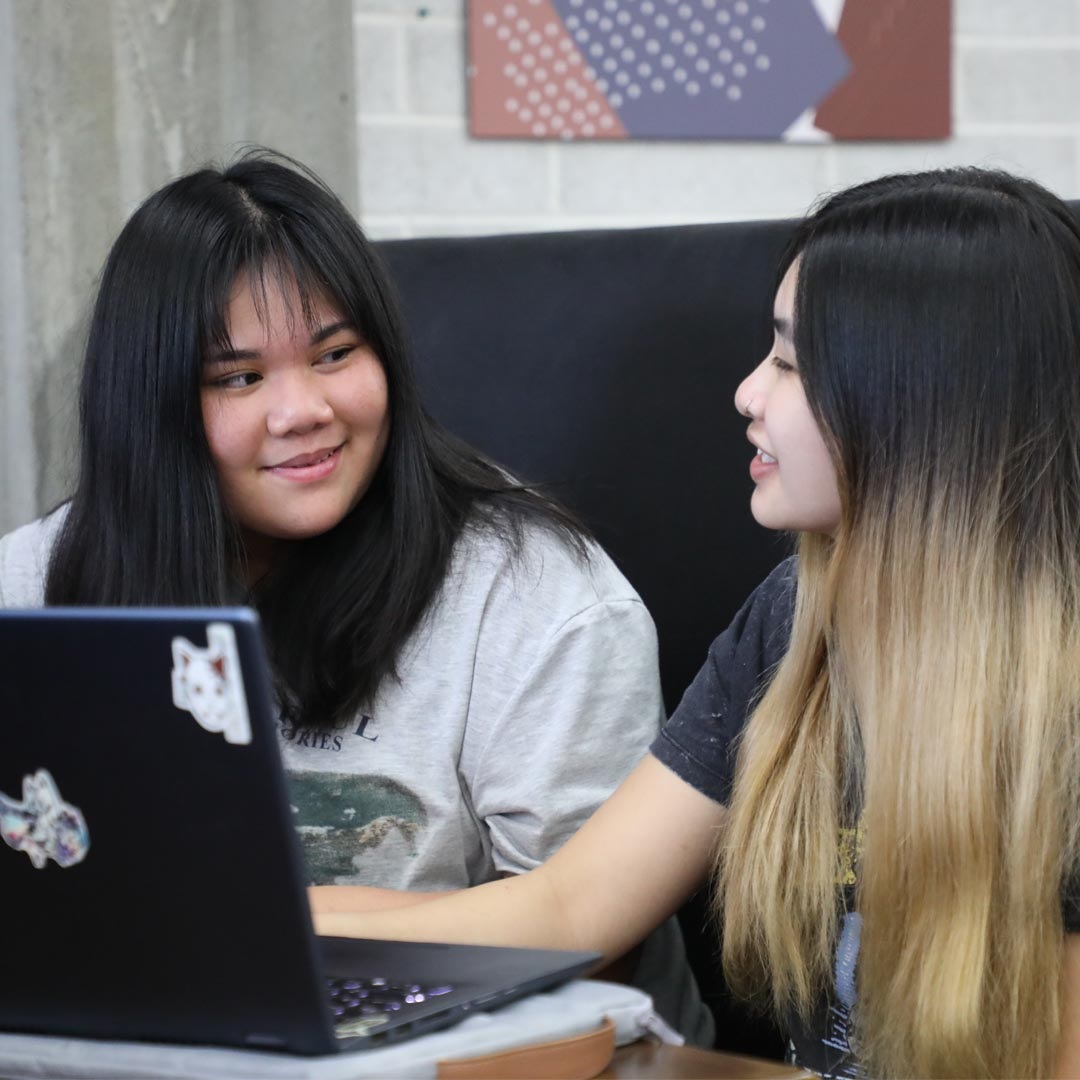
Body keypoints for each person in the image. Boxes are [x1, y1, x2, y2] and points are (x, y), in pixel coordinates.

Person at [312, 168, 1080, 1078]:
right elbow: (568, 911)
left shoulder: (1056, 715)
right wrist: (248, 922)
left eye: (791, 365)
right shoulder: (793, 622)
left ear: (919, 402)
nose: (747, 392)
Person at [0, 152, 711, 1044]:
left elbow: (587, 944)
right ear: (152, 407)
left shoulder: (539, 599)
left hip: (494, 1045)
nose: (304, 410)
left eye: (336, 354)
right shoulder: (34, 586)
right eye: (239, 377)